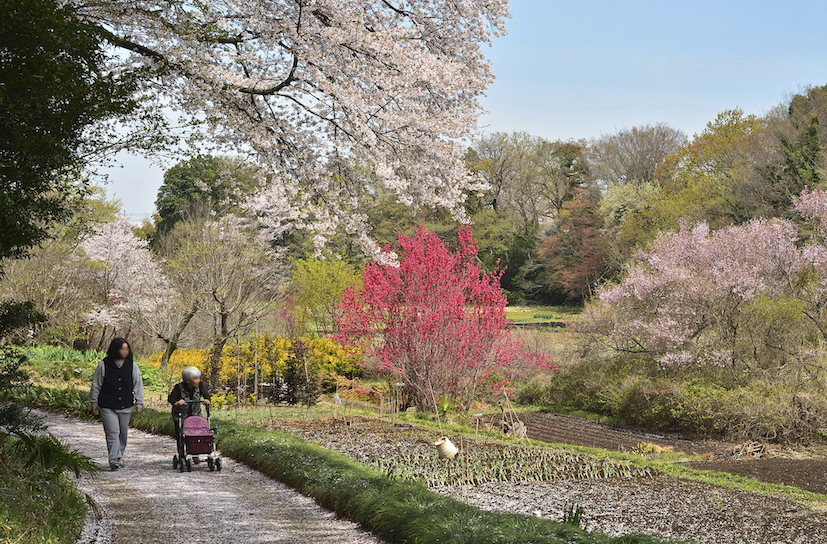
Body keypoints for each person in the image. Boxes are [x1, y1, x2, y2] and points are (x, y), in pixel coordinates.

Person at [90, 338, 144, 471]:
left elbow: (138, 384)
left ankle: (118, 457)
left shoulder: (132, 365)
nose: (125, 351)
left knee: (123, 433)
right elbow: (96, 384)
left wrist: (139, 402)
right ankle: (113, 459)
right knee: (112, 432)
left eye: (127, 349)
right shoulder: (104, 364)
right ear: (115, 349)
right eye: (122, 349)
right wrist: (93, 402)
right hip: (107, 405)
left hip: (126, 404)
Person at [168, 366, 211, 460]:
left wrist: (207, 400)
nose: (198, 380)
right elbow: (171, 398)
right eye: (196, 378)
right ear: (188, 380)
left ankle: (196, 453)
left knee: (197, 435)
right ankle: (182, 453)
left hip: (196, 415)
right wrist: (177, 402)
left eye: (199, 378)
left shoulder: (200, 385)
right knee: (181, 435)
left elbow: (206, 395)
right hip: (181, 416)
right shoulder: (178, 387)